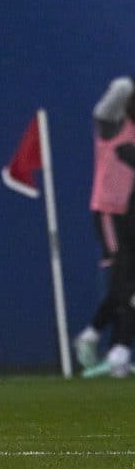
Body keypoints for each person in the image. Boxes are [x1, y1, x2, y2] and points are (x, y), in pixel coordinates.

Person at [74, 77, 135, 378]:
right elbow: (116, 93)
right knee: (125, 285)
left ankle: (97, 337)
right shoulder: (113, 123)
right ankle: (116, 351)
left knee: (125, 286)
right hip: (110, 211)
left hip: (132, 214)